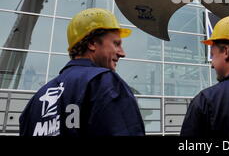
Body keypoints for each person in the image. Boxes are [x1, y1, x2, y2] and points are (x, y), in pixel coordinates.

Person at [19, 8, 145, 136]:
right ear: (92, 43)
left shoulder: (36, 100)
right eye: (116, 44)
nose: (122, 53)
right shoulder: (102, 81)